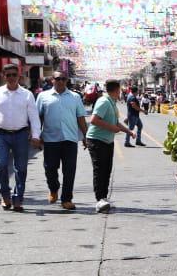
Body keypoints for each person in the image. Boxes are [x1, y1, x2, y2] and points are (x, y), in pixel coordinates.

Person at [0, 63, 41, 212]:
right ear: (4, 76)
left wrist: (36, 135)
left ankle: (18, 198)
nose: (11, 78)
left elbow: (34, 116)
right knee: (0, 165)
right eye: (8, 75)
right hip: (1, 133)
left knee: (21, 168)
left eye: (14, 75)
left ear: (19, 76)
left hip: (21, 133)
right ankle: (5, 194)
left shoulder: (27, 94)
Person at [37, 72, 88, 210]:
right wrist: (36, 135)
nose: (60, 81)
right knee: (50, 168)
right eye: (57, 79)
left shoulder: (75, 97)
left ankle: (66, 199)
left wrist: (85, 136)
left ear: (67, 81)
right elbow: (38, 117)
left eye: (63, 79)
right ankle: (53, 188)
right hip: (50, 139)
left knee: (69, 170)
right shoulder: (43, 96)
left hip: (70, 138)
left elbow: (81, 117)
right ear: (52, 80)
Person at [85, 79, 137, 213]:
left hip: (107, 140)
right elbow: (94, 120)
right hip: (97, 140)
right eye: (119, 90)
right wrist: (112, 128)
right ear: (116, 90)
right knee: (99, 170)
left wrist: (129, 131)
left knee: (107, 170)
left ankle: (104, 197)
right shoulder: (103, 101)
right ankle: (99, 200)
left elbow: (116, 123)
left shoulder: (111, 102)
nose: (120, 92)